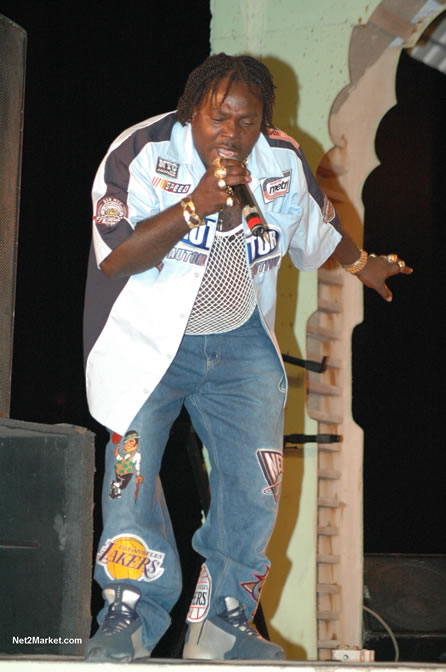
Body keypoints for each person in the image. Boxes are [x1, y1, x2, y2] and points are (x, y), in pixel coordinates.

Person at [83, 53, 412, 662]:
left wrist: (365, 264)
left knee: (256, 485)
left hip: (240, 343)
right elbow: (117, 257)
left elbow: (316, 228)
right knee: (133, 478)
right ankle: (128, 613)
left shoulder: (280, 160)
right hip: (151, 342)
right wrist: (196, 205)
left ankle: (223, 621)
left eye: (248, 121)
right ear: (191, 111)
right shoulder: (140, 153)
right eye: (218, 118)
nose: (232, 134)